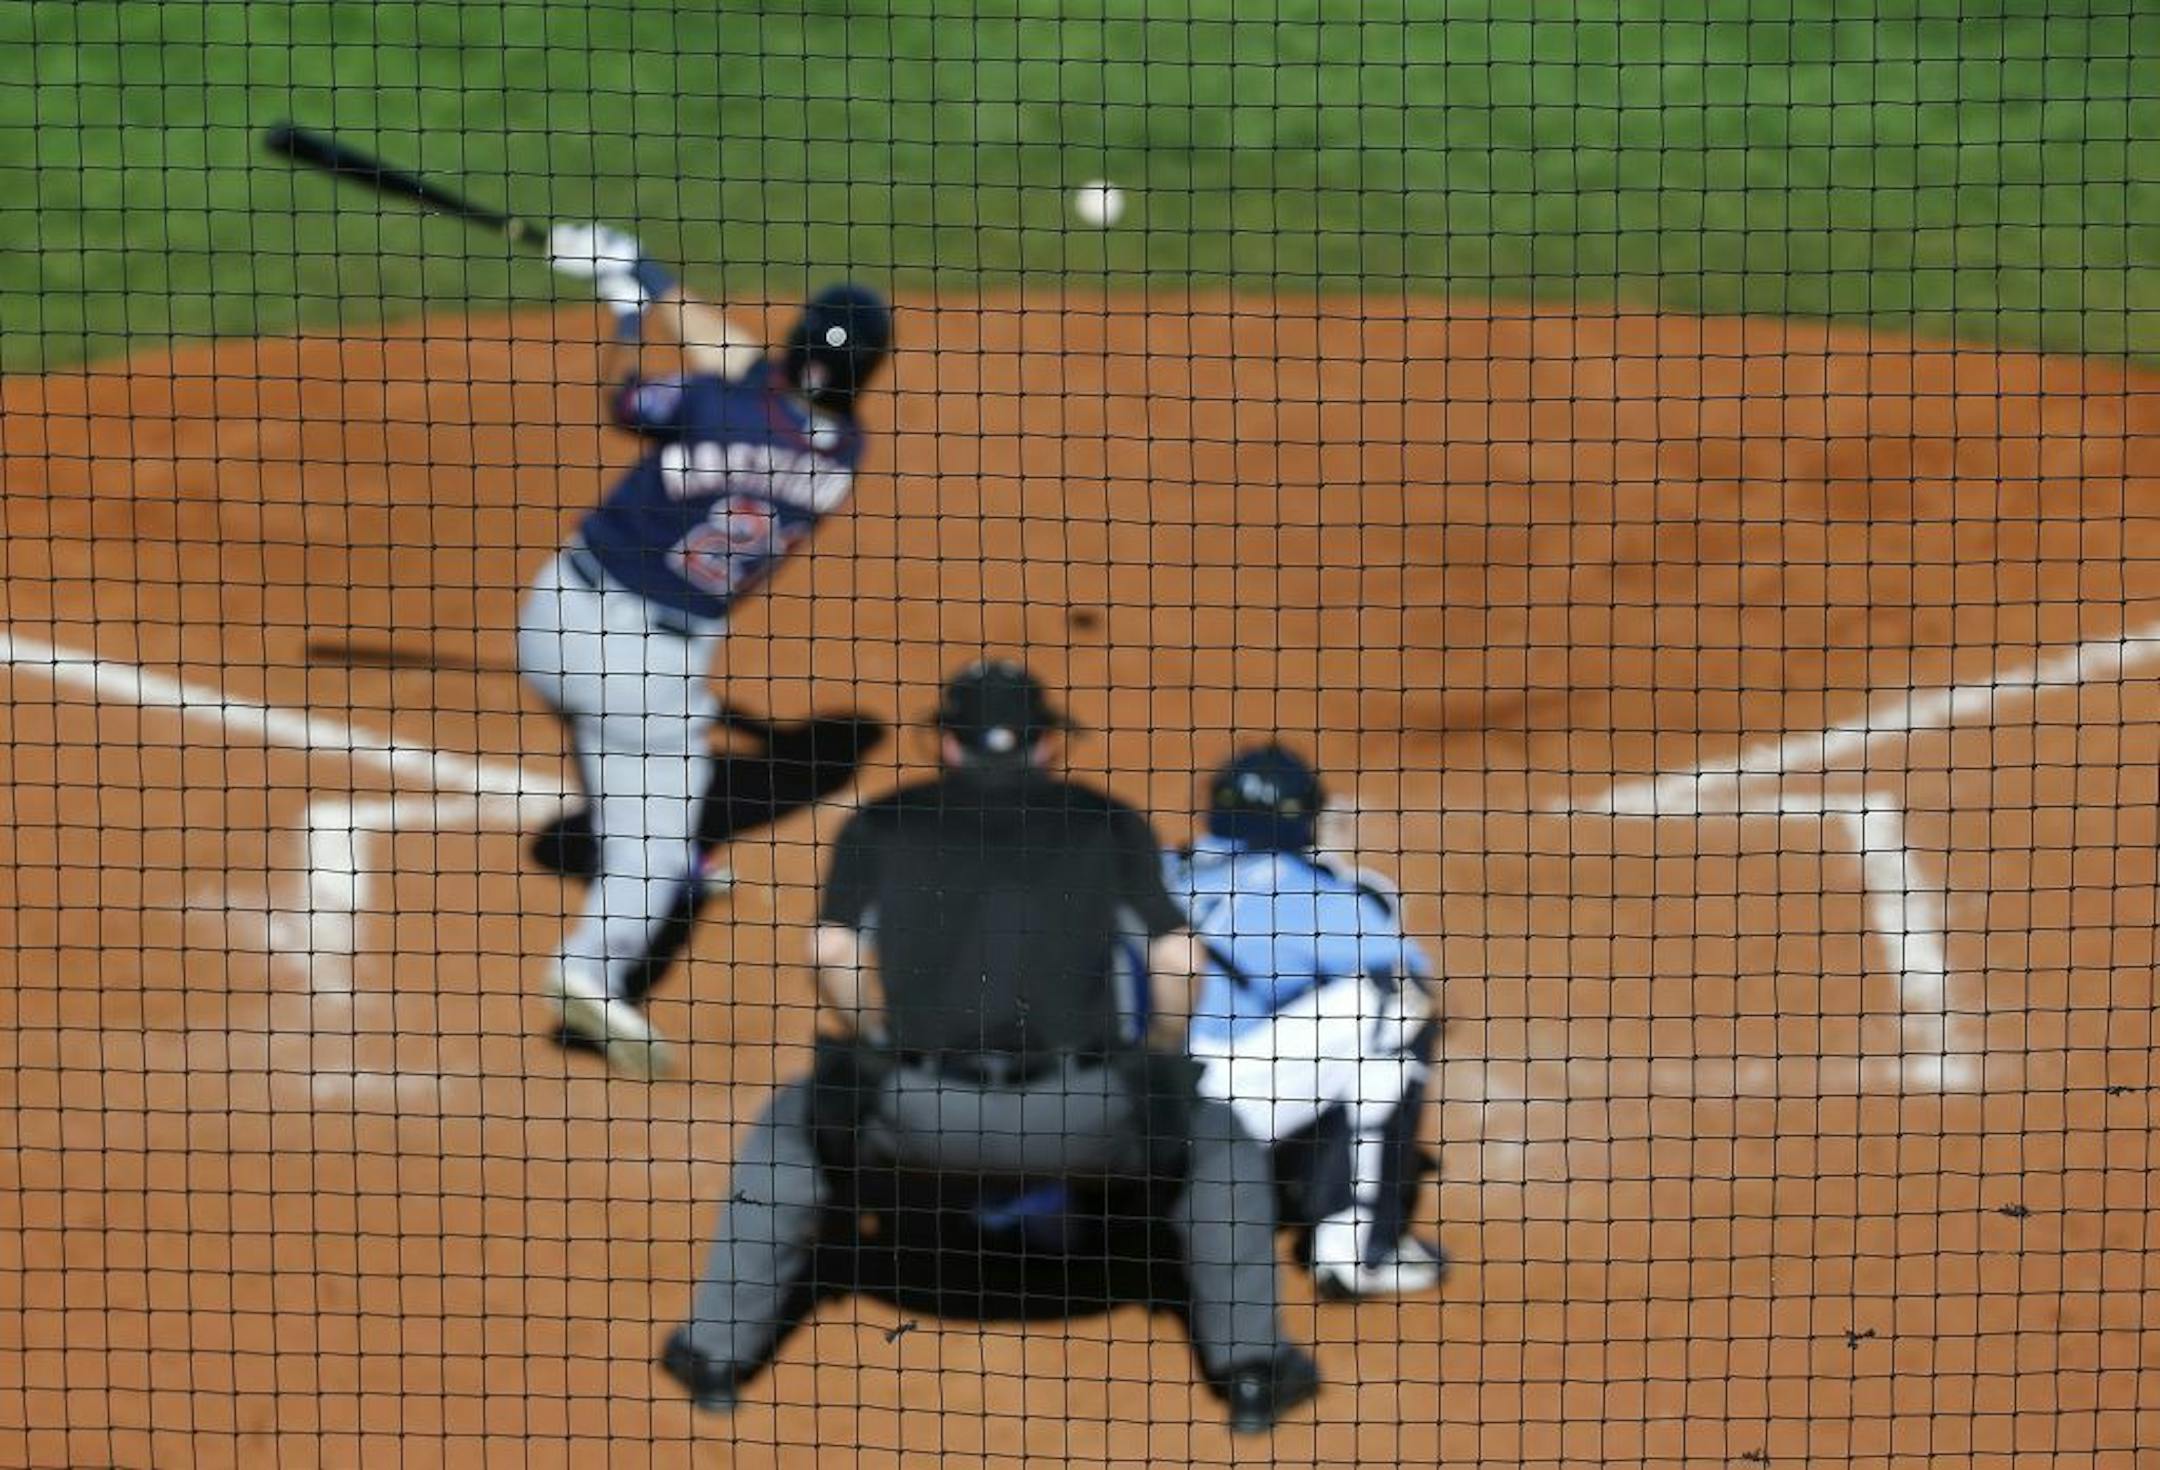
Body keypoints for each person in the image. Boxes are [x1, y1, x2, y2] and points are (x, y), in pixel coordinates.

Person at [659, 661, 1322, 1433]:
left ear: (946, 743)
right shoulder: (1108, 821)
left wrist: (876, 1038)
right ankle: (1251, 1373)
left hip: (919, 1114)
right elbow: (1179, 958)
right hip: (1084, 1119)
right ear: (1044, 744)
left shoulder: (882, 821)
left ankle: (713, 1355)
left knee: (786, 1133)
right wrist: (1160, 1059)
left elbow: (830, 951)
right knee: (1220, 1146)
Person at [518, 221, 893, 1077]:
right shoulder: (843, 456)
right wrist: (646, 275)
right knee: (660, 833)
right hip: (647, 665)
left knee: (619, 747)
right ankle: (591, 971)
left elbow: (627, 400)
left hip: (553, 618)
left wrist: (625, 309)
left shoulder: (715, 400)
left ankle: (635, 848)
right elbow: (747, 370)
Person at [1164, 744, 1450, 1298]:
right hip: (1214, 1110)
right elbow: (1421, 987)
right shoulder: (1313, 894)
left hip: (1111, 1100)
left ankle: (1036, 1210)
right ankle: (1357, 1251)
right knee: (1398, 1006)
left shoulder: (1152, 868)